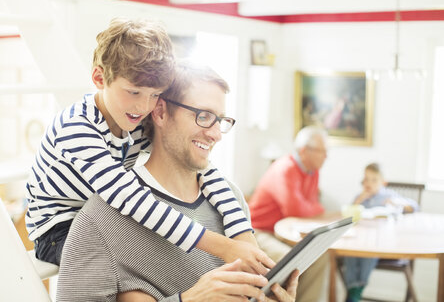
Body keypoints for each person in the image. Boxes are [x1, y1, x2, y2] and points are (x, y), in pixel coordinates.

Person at [25, 18, 268, 271]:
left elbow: (204, 171)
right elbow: (130, 198)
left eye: (154, 95)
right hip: (56, 231)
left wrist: (243, 236)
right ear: (99, 78)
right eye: (134, 92)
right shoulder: (76, 128)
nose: (143, 107)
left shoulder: (135, 120)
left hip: (99, 218)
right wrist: (226, 248)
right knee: (137, 264)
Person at [56, 60, 298, 302]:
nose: (215, 134)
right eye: (203, 116)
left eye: (221, 121)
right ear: (160, 112)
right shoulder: (99, 221)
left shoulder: (231, 199)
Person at [248, 126, 329, 301]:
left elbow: (310, 207)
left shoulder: (313, 172)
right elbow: (297, 210)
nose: (326, 156)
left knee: (320, 256)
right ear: (304, 151)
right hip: (259, 233)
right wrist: (314, 208)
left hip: (284, 233)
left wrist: (311, 208)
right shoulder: (285, 169)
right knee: (294, 262)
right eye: (321, 151)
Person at [341, 163, 419, 302]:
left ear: (383, 182)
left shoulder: (388, 195)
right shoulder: (360, 197)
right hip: (359, 240)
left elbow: (414, 206)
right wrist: (359, 201)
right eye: (366, 179)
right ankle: (354, 287)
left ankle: (356, 290)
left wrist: (397, 203)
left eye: (374, 179)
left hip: (379, 243)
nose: (369, 183)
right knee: (349, 252)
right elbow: (348, 216)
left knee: (368, 253)